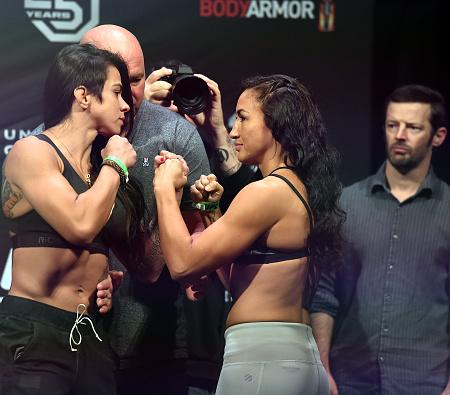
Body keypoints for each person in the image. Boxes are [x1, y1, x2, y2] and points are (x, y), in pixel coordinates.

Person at [153, 74, 345, 395]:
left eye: (242, 118)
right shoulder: (298, 186)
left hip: (263, 361)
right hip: (289, 356)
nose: (233, 130)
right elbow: (240, 281)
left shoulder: (266, 192)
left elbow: (183, 265)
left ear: (277, 125)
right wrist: (211, 212)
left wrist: (164, 188)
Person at [0, 43, 148, 395]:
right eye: (117, 92)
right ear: (84, 96)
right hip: (36, 334)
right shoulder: (33, 152)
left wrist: (104, 274)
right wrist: (117, 164)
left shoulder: (98, 170)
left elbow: (143, 262)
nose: (126, 105)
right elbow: (79, 225)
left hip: (92, 334)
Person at [79, 25, 220, 395]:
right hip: (70, 345)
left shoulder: (175, 135)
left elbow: (201, 234)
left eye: (137, 80)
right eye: (116, 83)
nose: (128, 95)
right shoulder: (57, 143)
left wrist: (197, 257)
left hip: (154, 347)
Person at [310, 84, 450, 395]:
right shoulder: (346, 204)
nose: (400, 135)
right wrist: (323, 369)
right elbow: (324, 294)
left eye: (412, 127)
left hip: (426, 382)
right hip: (350, 380)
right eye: (392, 125)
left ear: (437, 136)